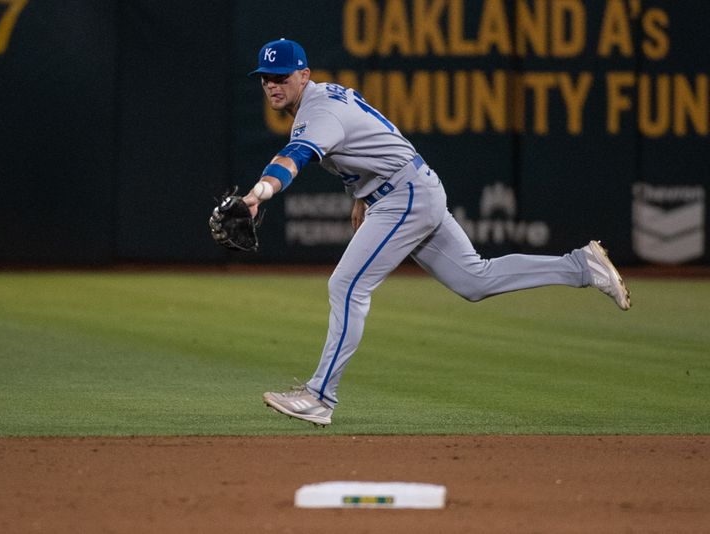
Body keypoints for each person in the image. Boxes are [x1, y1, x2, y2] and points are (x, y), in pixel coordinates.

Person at [242, 38, 631, 426]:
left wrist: (260, 192)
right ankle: (581, 266)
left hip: (403, 194)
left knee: (347, 286)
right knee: (475, 280)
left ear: (303, 75)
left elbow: (294, 157)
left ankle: (319, 397)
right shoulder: (325, 95)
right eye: (265, 79)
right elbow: (371, 137)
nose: (273, 86)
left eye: (282, 77)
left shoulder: (318, 112)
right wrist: (359, 196)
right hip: (411, 186)